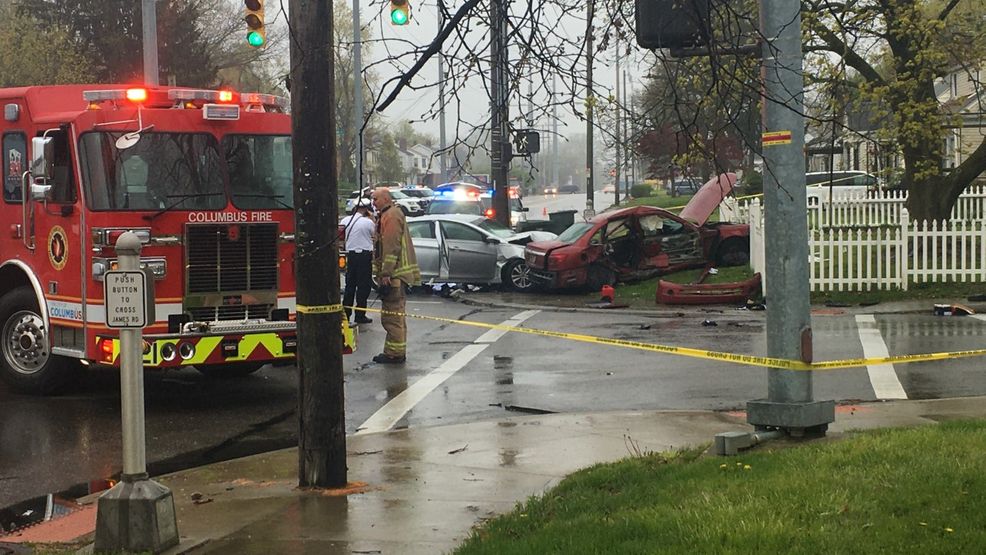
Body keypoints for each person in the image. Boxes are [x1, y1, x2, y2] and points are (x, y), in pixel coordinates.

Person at [371, 187, 421, 364]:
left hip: (394, 276)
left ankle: (395, 354)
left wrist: (386, 273)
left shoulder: (391, 216)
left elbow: (390, 247)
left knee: (392, 316)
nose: (373, 203)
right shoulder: (390, 214)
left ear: (386, 199)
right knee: (394, 316)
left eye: (376, 199)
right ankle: (394, 351)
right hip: (396, 275)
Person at [340, 205, 375, 324]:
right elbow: (375, 235)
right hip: (364, 256)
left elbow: (341, 236)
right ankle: (360, 315)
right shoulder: (368, 222)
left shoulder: (345, 220)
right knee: (363, 287)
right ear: (365, 210)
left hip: (350, 255)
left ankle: (346, 315)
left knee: (350, 286)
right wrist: (372, 218)